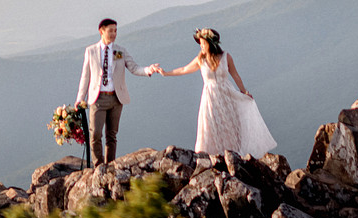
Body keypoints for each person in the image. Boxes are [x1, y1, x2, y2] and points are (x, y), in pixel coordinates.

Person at [156, 27, 276, 158]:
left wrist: (244, 91)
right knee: (211, 125)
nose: (201, 46)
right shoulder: (200, 59)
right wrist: (166, 73)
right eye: (200, 44)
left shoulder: (226, 57)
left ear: (211, 44)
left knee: (230, 125)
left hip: (227, 95)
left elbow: (235, 75)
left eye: (203, 43)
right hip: (210, 98)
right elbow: (184, 69)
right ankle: (211, 156)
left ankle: (234, 155)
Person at [76, 17, 159, 167]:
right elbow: (85, 76)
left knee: (111, 135)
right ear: (101, 31)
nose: (114, 34)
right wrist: (80, 98)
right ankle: (98, 166)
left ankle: (110, 166)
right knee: (95, 134)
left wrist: (148, 70)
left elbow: (134, 68)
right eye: (111, 31)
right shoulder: (91, 51)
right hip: (98, 98)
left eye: (115, 30)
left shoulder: (120, 51)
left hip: (116, 98)